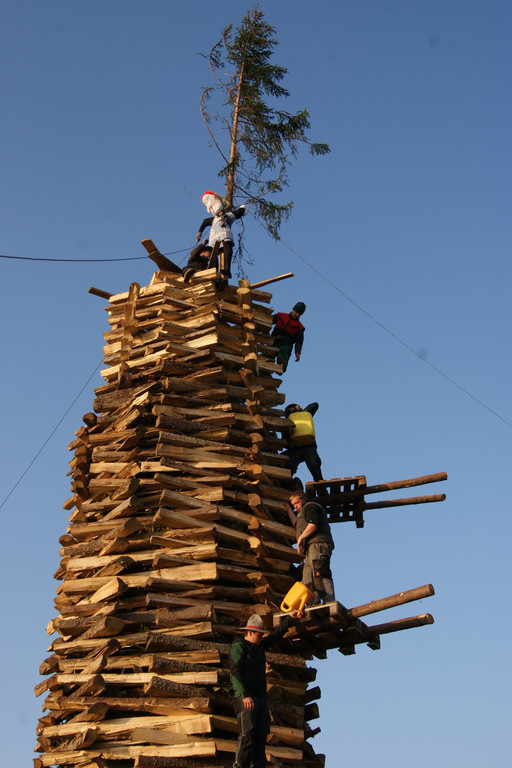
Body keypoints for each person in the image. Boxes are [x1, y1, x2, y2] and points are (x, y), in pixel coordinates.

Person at [230, 611, 298, 768]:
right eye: (259, 635)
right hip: (246, 699)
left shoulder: (259, 646)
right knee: (247, 736)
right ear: (250, 632)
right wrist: (244, 695)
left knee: (260, 737)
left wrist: (290, 619)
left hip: (260, 699)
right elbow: (235, 672)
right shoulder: (239, 647)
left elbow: (276, 635)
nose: (261, 637)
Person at [287, 490, 335, 605]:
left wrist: (300, 538)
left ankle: (329, 602)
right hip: (309, 549)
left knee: (320, 572)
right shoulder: (302, 513)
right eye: (293, 505)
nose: (295, 506)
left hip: (318, 544)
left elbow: (313, 524)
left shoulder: (311, 506)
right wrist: (288, 509)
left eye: (296, 503)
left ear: (303, 499)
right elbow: (297, 523)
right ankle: (312, 604)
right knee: (307, 578)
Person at [196, 190, 246, 283]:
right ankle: (214, 273)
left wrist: (242, 209)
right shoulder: (213, 219)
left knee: (227, 246)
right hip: (214, 239)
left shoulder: (226, 216)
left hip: (224, 235)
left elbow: (237, 214)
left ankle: (227, 269)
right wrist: (199, 233)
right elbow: (204, 222)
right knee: (212, 255)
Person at [282, 402, 323, 483]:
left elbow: (315, 405)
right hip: (295, 449)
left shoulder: (305, 415)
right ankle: (288, 485)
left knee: (313, 465)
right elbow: (285, 440)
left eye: (293, 408)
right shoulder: (286, 423)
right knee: (288, 465)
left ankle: (320, 483)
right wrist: (289, 444)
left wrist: (302, 412)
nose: (291, 410)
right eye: (289, 410)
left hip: (308, 446)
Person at [270, 302, 306, 372]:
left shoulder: (299, 327)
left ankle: (281, 367)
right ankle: (265, 370)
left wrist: (297, 352)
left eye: (299, 314)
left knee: (284, 352)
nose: (297, 315)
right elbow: (268, 320)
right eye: (296, 312)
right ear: (293, 309)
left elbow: (299, 341)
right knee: (269, 354)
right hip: (274, 340)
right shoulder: (280, 316)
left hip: (286, 344)